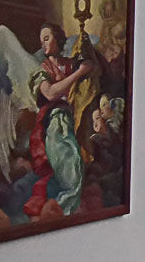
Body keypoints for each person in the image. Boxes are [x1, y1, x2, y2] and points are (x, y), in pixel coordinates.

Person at [24, 23, 91, 218]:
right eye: (41, 40)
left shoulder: (70, 63)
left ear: (57, 38)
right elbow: (51, 93)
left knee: (80, 163)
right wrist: (80, 73)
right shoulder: (42, 69)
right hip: (55, 121)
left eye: (47, 38)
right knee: (70, 163)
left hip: (76, 119)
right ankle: (62, 210)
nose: (43, 43)